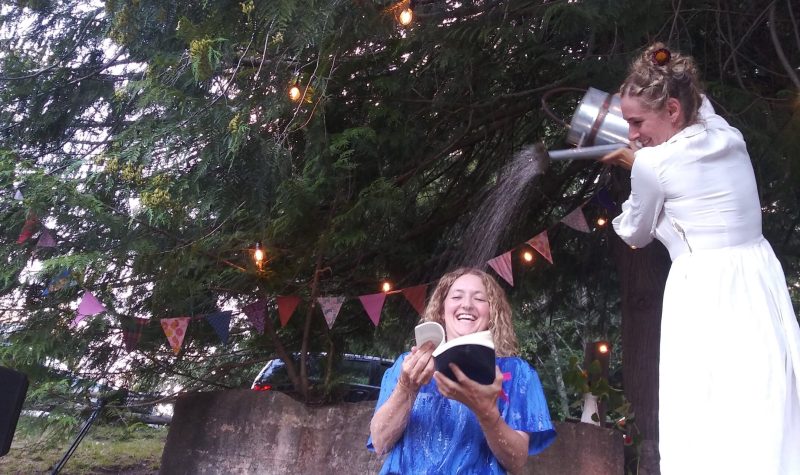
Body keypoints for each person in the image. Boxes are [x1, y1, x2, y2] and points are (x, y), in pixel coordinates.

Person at [601, 43, 800, 474]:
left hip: (705, 290)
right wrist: (663, 66)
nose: (631, 133)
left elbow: (634, 232)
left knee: (707, 406)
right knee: (760, 396)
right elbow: (698, 104)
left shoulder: (651, 165)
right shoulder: (728, 134)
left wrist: (631, 162)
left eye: (636, 121)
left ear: (673, 110)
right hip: (757, 279)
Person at [367, 267, 556, 474]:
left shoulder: (518, 374)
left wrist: (487, 413)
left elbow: (517, 461)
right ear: (441, 309)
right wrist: (406, 388)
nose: (467, 304)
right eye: (457, 296)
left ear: (493, 312)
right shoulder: (407, 365)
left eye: (480, 299)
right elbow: (380, 442)